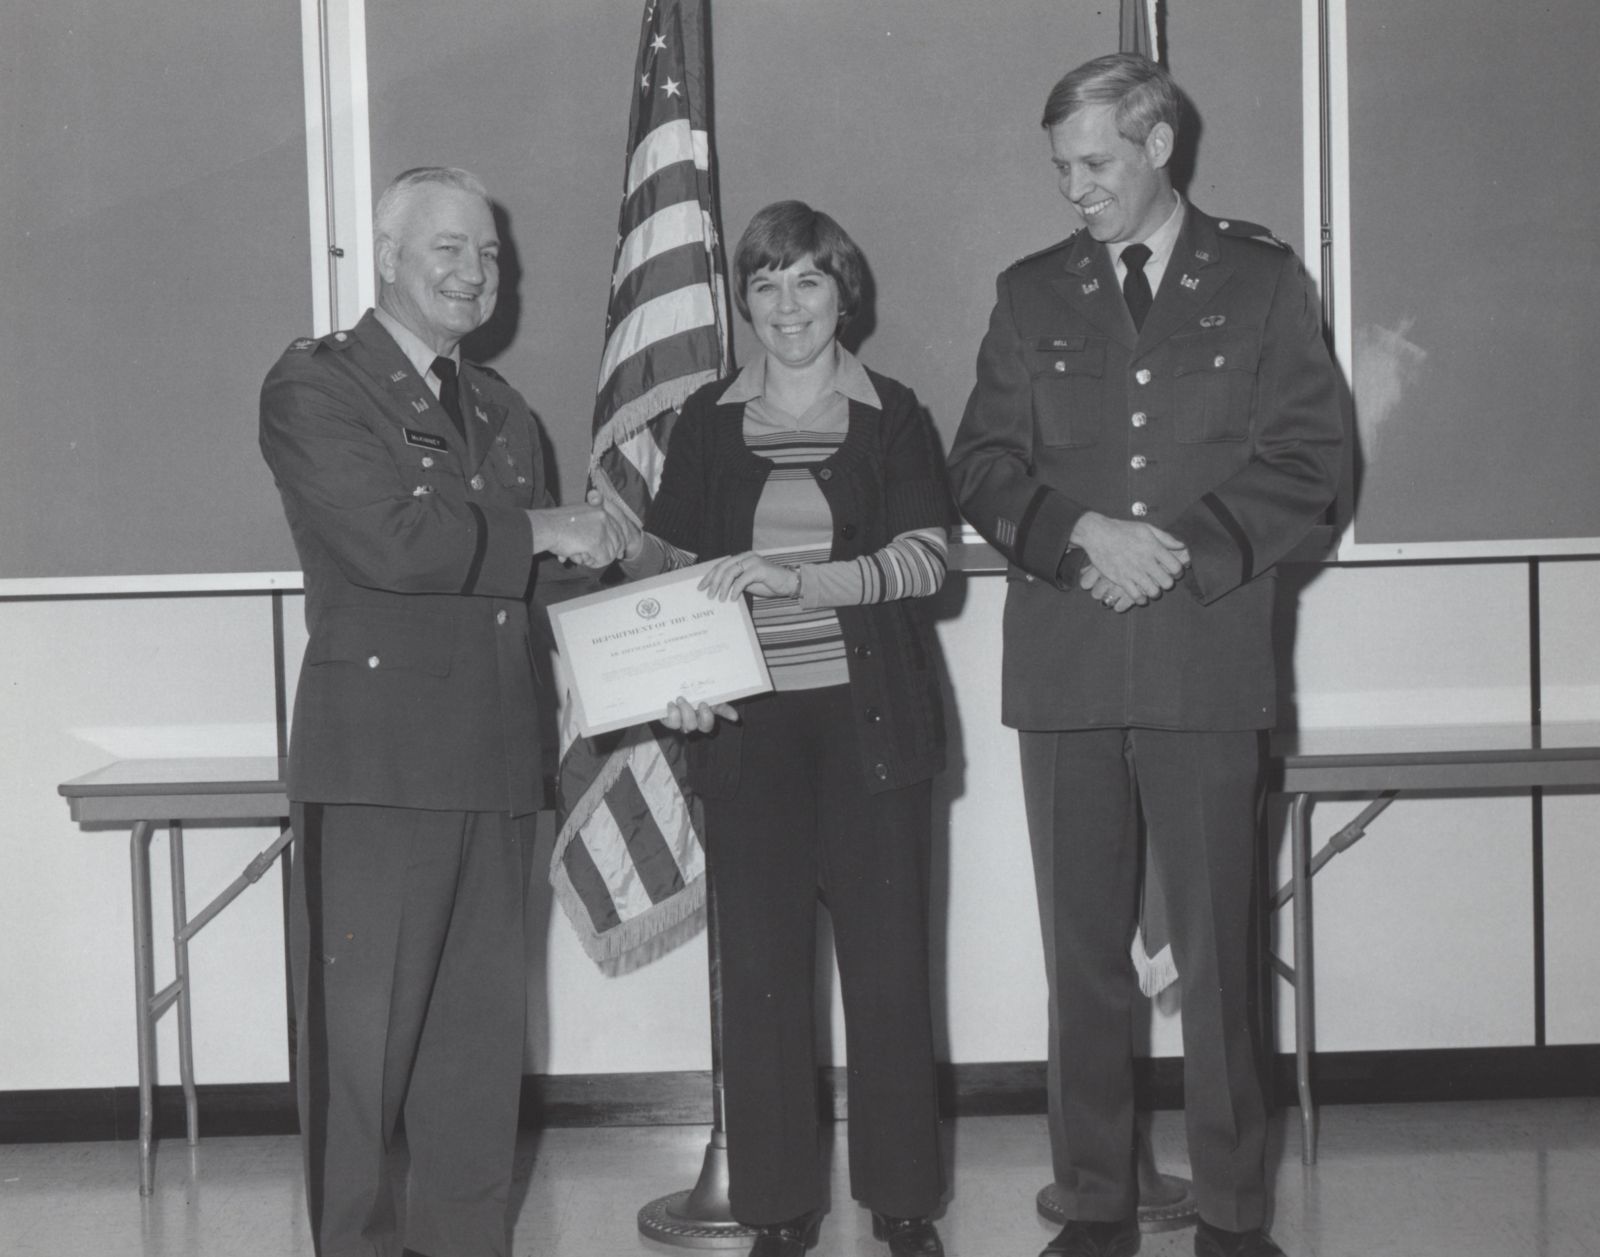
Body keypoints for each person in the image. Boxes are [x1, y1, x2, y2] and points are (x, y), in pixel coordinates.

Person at [947, 55, 1344, 1257]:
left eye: (1097, 163)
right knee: (1080, 962)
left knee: (1219, 960)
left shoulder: (1263, 282)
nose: (1075, 188)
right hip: (1065, 669)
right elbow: (979, 466)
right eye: (1061, 166)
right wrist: (1079, 538)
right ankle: (1092, 1202)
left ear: (1158, 144)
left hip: (1205, 661)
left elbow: (1312, 463)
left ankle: (1231, 1213)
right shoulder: (1028, 295)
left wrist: (1172, 551)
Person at [259, 166, 617, 1257]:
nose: (472, 273)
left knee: (473, 1070)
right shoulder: (321, 385)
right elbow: (395, 545)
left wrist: (651, 660)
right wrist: (551, 530)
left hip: (499, 766)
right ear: (387, 259)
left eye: (489, 254)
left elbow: (543, 594)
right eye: (447, 250)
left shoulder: (505, 411)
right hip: (379, 772)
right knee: (359, 1071)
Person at [596, 201, 953, 1257]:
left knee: (888, 973)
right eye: (764, 284)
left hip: (872, 726)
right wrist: (625, 564)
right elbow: (671, 562)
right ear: (742, 300)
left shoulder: (894, 413)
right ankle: (776, 1210)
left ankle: (901, 1205)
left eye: (807, 281)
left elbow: (929, 558)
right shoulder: (707, 420)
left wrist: (804, 581)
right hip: (744, 736)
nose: (786, 305)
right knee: (760, 980)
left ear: (844, 291)